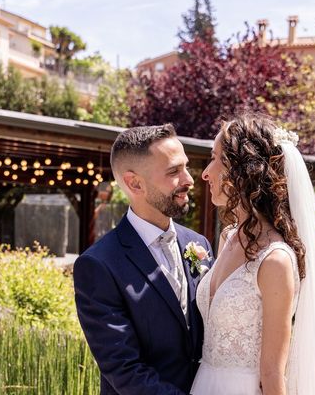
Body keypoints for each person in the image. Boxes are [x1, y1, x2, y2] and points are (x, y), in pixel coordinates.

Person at [191, 113, 315, 395]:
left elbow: (273, 372)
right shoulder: (228, 237)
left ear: (241, 170)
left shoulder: (275, 260)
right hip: (203, 383)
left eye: (215, 159)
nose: (205, 172)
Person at [74, 124, 214, 395]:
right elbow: (125, 370)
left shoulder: (199, 245)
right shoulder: (99, 265)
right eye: (174, 171)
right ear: (134, 183)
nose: (189, 179)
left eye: (186, 167)